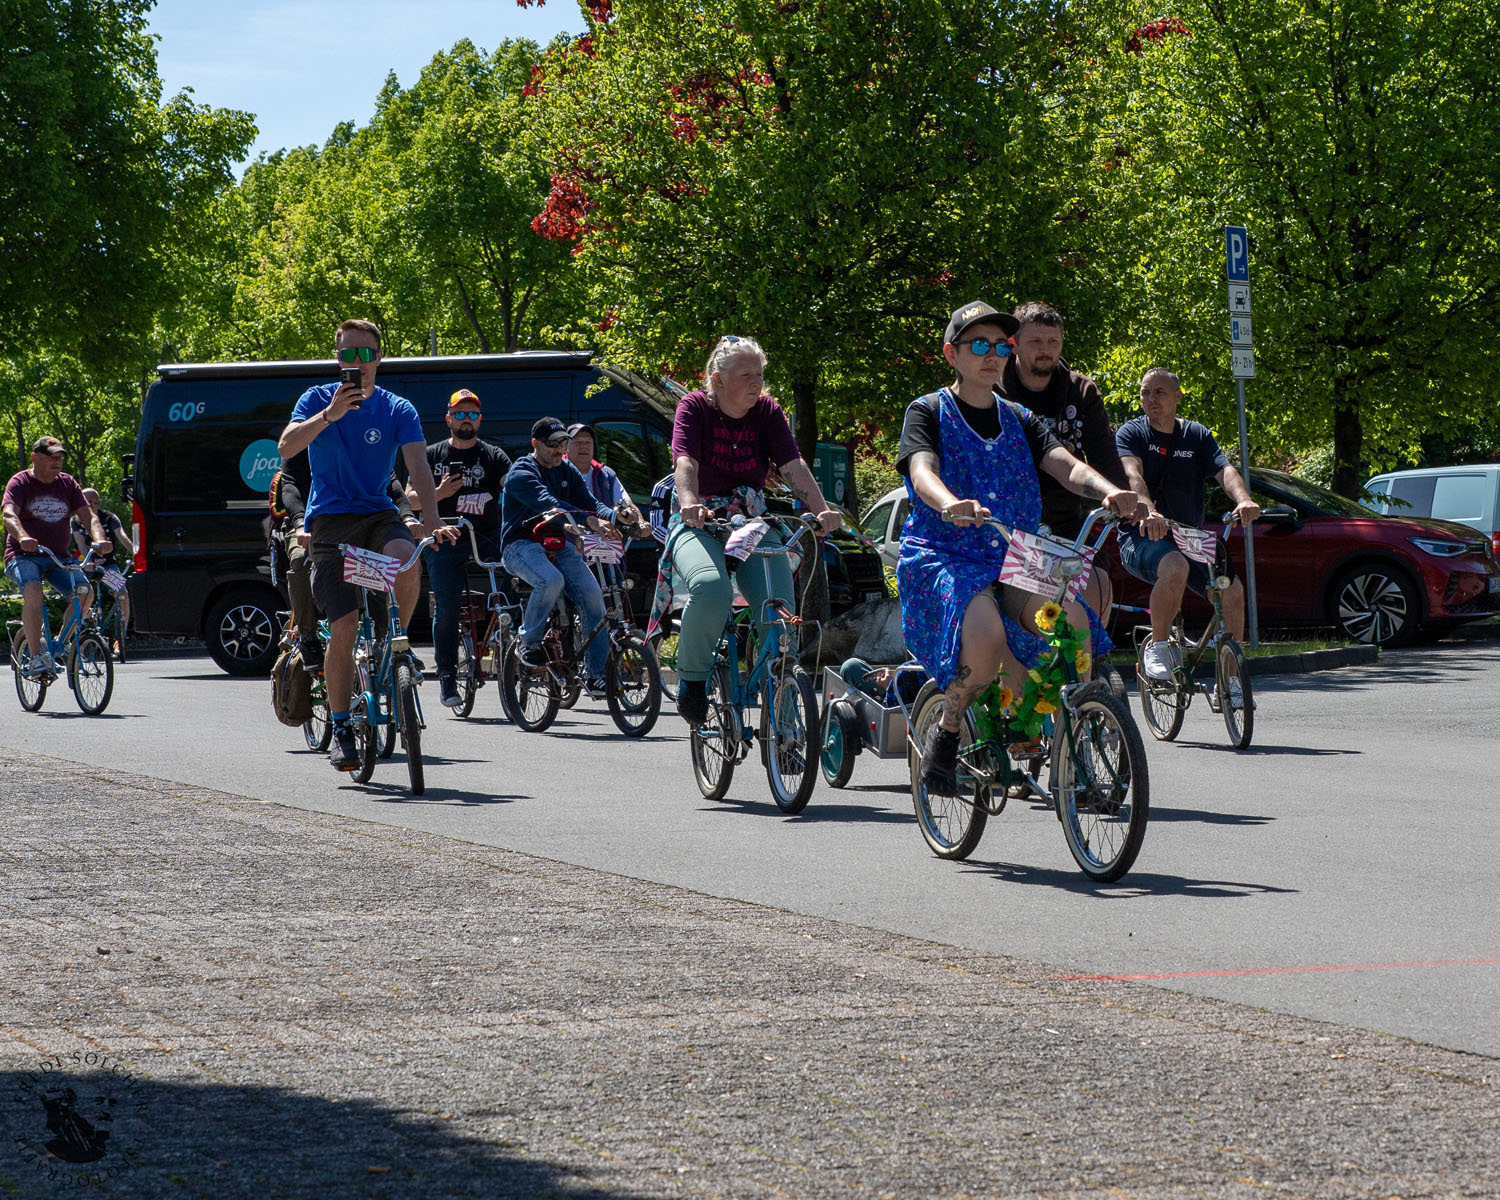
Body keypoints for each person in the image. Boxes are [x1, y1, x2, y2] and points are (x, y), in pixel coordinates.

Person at [897, 302, 1141, 796]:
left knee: (1073, 621)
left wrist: (1106, 490)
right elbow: (922, 471)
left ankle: (1066, 737)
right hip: (945, 553)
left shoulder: (1020, 418)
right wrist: (949, 503)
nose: (993, 356)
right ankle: (948, 731)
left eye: (1001, 346)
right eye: (979, 346)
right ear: (952, 353)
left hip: (1012, 555)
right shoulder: (928, 411)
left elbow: (1064, 464)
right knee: (984, 641)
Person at [276, 318, 457, 773]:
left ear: (379, 358)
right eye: (348, 354)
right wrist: (330, 416)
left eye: (366, 354)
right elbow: (285, 447)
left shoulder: (398, 408)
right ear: (338, 358)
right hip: (331, 521)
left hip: (378, 514)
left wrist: (432, 524)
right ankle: (340, 727)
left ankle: (396, 644)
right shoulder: (317, 399)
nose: (357, 363)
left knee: (408, 560)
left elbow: (418, 469)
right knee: (344, 626)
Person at [664, 335, 842, 726]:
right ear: (718, 379)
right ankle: (692, 680)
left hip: (750, 522)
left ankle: (784, 707)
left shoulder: (768, 412)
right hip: (702, 519)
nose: (756, 383)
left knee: (780, 611)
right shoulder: (693, 406)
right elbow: (686, 462)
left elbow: (792, 466)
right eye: (746, 375)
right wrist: (690, 502)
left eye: (759, 374)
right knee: (711, 588)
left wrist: (822, 510)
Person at [1116, 367, 1260, 680]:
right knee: (1175, 566)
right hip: (1141, 535)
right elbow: (1132, 474)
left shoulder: (1196, 435)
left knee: (1232, 591)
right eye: (1146, 393)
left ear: (1178, 397)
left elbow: (1224, 470)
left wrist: (1243, 500)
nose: (1151, 399)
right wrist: (1149, 511)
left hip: (1188, 537)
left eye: (1160, 392)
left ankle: (1232, 681)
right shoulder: (1131, 433)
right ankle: (1157, 645)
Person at [995, 301, 1127, 621]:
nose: (1046, 350)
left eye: (1053, 342)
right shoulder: (994, 390)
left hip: (1068, 522)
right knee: (1019, 619)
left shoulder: (1081, 391)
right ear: (1014, 345)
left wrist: (1121, 496)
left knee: (1098, 583)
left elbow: (1103, 457)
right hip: (1008, 526)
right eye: (1036, 342)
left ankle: (1092, 662)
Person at [499, 417, 624, 695]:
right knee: (551, 580)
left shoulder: (566, 469)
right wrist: (590, 523)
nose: (559, 450)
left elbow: (589, 502)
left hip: (559, 544)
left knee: (594, 597)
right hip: (521, 545)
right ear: (535, 444)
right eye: (553, 444)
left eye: (563, 443)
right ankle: (528, 642)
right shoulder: (522, 472)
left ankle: (595, 675)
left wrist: (614, 516)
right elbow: (550, 504)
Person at [421, 389, 512, 709]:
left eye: (472, 414)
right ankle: (446, 673)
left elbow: (511, 487)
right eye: (460, 414)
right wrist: (439, 491)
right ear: (448, 419)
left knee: (513, 584)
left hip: (484, 538)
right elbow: (409, 499)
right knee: (446, 604)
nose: (466, 420)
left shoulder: (493, 456)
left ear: (480, 420)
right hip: (443, 538)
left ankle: (514, 652)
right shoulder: (431, 455)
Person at [3, 437, 109, 678]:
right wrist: (22, 537)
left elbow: (89, 516)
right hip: (24, 555)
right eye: (51, 456)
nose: (57, 460)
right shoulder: (20, 482)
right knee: (33, 590)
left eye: (59, 456)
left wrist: (99, 538)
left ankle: (61, 644)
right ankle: (38, 656)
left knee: (85, 593)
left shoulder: (68, 484)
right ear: (34, 457)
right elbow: (9, 515)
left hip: (58, 557)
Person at [268, 450, 322, 670]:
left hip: (342, 519)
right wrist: (300, 524)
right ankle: (308, 636)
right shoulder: (299, 441)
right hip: (303, 525)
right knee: (301, 559)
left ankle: (386, 637)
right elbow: (289, 491)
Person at [71, 487, 136, 638]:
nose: (92, 505)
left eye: (95, 502)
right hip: (85, 565)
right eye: (88, 502)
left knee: (123, 594)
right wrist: (88, 561)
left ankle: (121, 637)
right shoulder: (75, 521)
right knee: (80, 594)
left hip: (107, 566)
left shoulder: (109, 518)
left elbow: (122, 537)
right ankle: (85, 621)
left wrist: (136, 554)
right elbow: (80, 544)